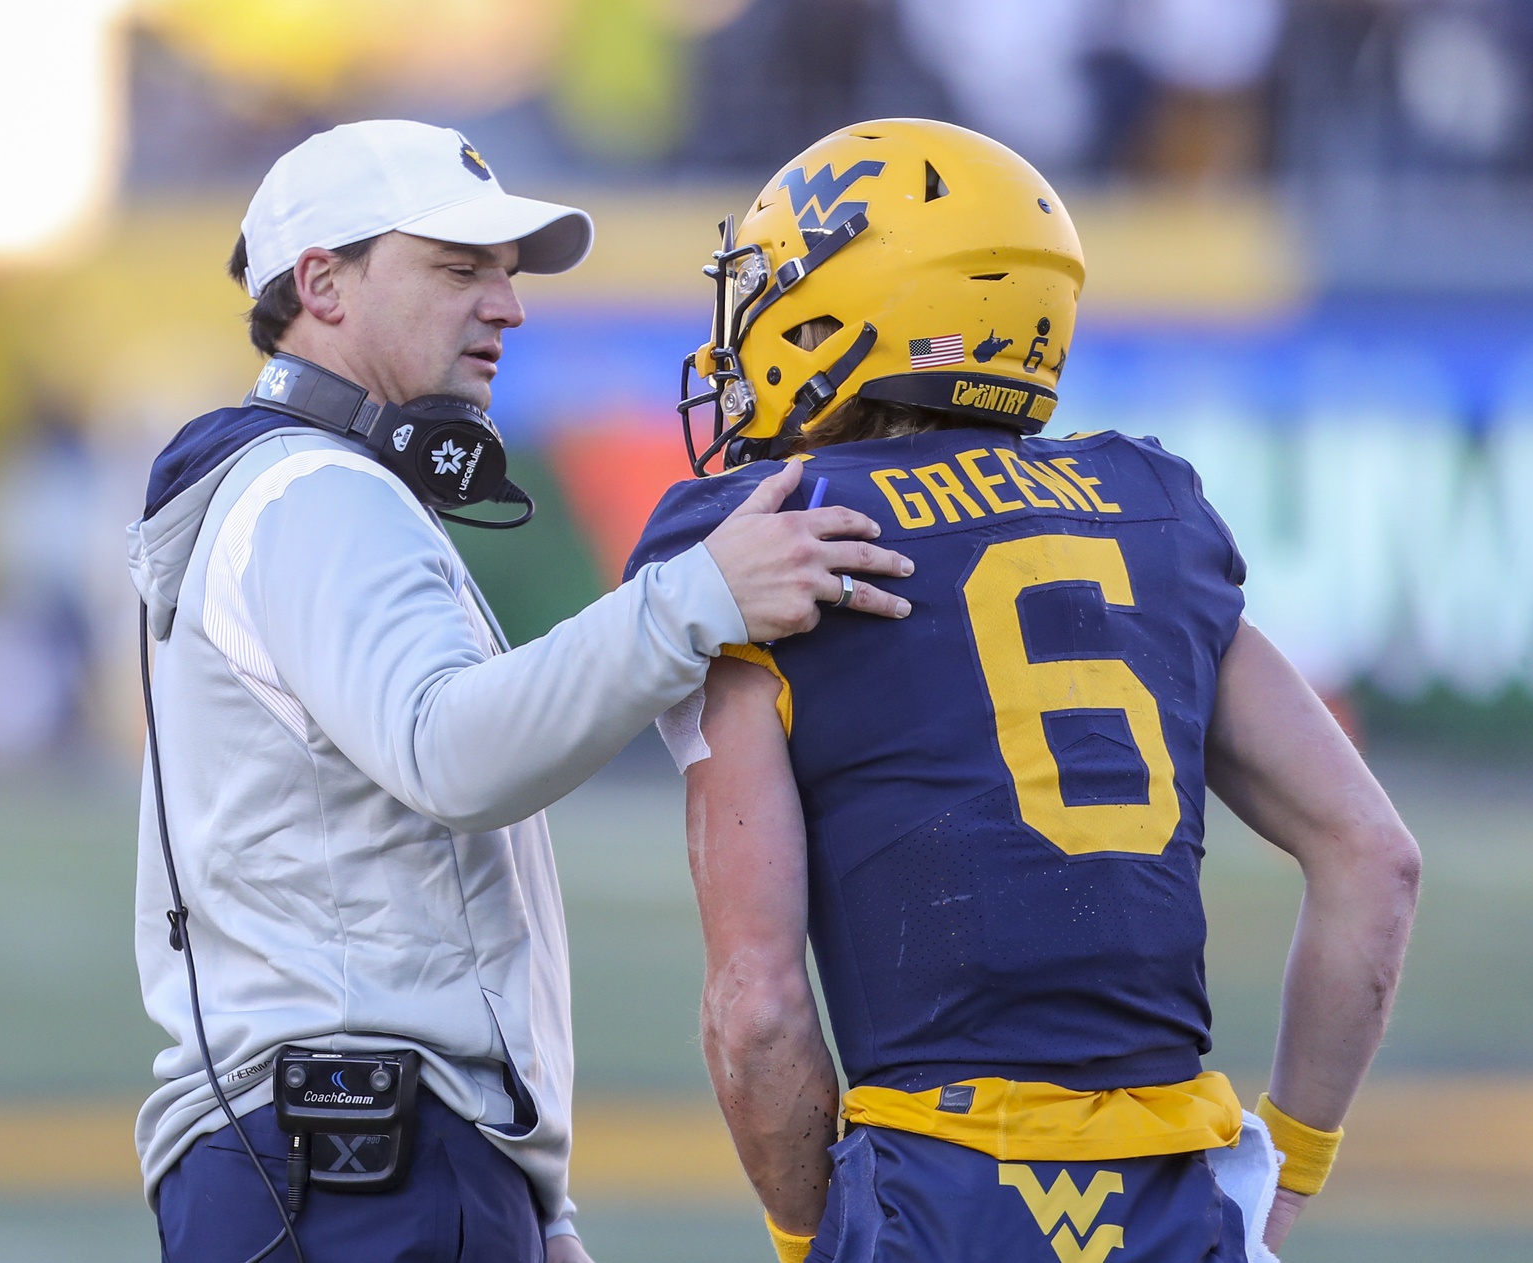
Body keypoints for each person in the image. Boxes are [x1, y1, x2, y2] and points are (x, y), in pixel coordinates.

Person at [625, 118, 1422, 1263]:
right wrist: (1287, 1169)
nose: (743, 335)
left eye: (768, 295)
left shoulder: (767, 535)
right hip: (1178, 1191)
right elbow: (1375, 858)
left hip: (938, 1185)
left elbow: (757, 1010)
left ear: (860, 301)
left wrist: (811, 1240)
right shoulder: (1156, 506)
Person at [124, 119, 917, 1263]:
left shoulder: (298, 484)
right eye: (458, 270)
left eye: (505, 275)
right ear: (321, 285)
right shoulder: (311, 488)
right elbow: (450, 752)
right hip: (350, 1163)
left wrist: (533, 1208)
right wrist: (699, 598)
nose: (508, 306)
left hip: (356, 1158)